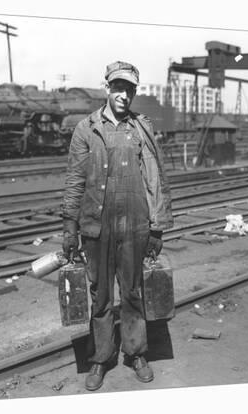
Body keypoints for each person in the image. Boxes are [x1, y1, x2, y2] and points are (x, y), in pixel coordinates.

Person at [62, 61, 173, 391]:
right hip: (97, 225)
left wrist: (157, 227)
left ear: (135, 92)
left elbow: (156, 179)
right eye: (118, 87)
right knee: (100, 297)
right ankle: (100, 357)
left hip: (136, 223)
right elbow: (75, 180)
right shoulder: (86, 129)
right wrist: (70, 227)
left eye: (130, 89)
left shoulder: (142, 128)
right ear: (106, 88)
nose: (123, 95)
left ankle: (136, 352)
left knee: (133, 292)